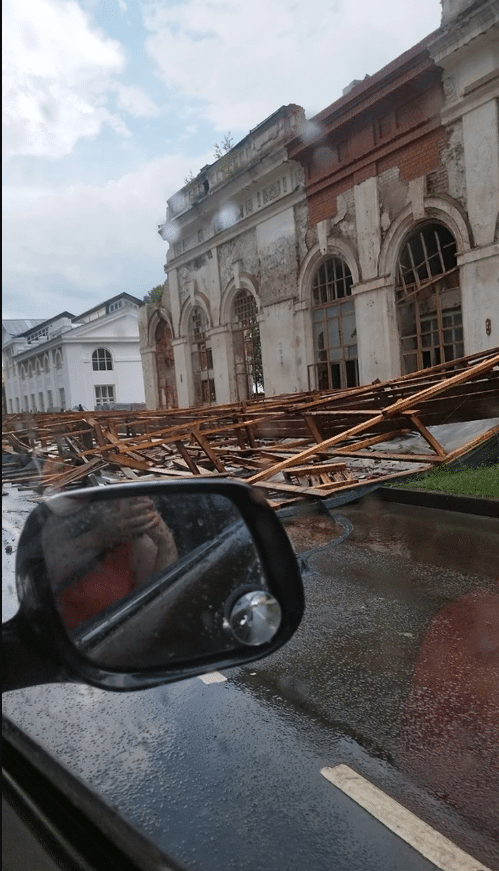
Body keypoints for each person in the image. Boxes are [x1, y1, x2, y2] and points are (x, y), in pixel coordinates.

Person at [41, 495, 178, 632]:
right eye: (114, 496)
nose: (138, 503)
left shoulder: (142, 546)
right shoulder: (66, 524)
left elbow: (154, 615)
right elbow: (44, 575)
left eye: (139, 498)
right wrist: (99, 537)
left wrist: (166, 543)